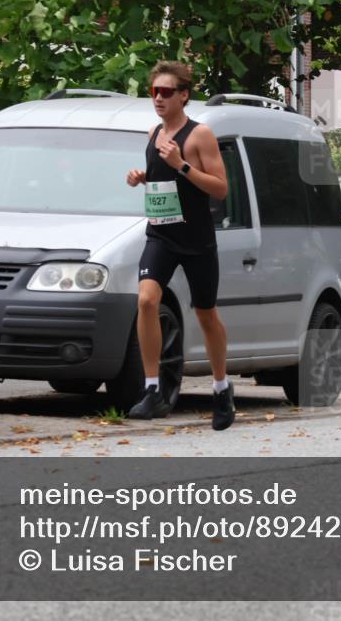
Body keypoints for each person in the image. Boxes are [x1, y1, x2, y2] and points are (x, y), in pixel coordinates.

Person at [125, 61, 236, 429]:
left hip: (197, 238)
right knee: (146, 300)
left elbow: (220, 188)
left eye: (166, 92)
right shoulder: (152, 133)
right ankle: (153, 389)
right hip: (161, 234)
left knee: (206, 314)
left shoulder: (199, 135)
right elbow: (161, 183)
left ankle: (221, 389)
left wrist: (181, 164)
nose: (158, 98)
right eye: (153, 91)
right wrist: (142, 178)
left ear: (184, 95)